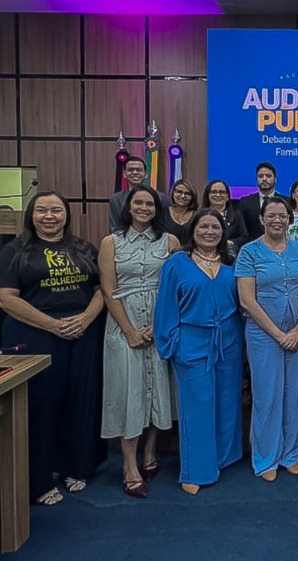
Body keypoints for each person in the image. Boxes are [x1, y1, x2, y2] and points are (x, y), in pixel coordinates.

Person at [0, 191, 106, 506]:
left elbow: (103, 290)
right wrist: (52, 325)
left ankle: (77, 466)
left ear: (66, 215)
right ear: (31, 214)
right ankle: (39, 479)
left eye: (56, 210)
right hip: (35, 335)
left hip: (83, 333)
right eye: (42, 210)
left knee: (81, 401)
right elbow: (6, 297)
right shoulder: (14, 251)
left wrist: (86, 318)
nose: (50, 216)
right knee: (39, 406)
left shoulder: (85, 248)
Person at [154, 209, 244, 496]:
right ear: (192, 230)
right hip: (191, 342)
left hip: (228, 341)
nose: (210, 231)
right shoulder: (177, 264)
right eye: (203, 226)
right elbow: (166, 307)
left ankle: (224, 457)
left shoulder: (231, 262)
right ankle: (197, 470)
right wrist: (172, 343)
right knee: (198, 406)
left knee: (228, 401)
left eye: (215, 226)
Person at [99, 186, 180, 499]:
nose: (145, 208)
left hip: (160, 323)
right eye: (139, 203)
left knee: (158, 389)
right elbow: (108, 290)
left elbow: (175, 286)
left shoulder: (169, 242)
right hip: (124, 325)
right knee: (129, 394)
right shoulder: (111, 242)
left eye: (151, 203)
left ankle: (150, 452)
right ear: (128, 207)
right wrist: (132, 330)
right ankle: (129, 466)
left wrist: (157, 326)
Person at [236, 196, 298, 482]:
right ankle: (266, 456)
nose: (277, 220)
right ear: (262, 219)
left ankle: (291, 452)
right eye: (272, 215)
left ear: (290, 220)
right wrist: (279, 334)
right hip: (263, 335)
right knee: (267, 397)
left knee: (294, 395)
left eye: (283, 215)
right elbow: (247, 300)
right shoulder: (249, 252)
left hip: (297, 335)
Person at [108, 156, 170, 233]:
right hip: (124, 242)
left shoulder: (161, 197)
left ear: (146, 174)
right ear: (124, 174)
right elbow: (114, 228)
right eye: (130, 170)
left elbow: (165, 225)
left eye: (139, 170)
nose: (135, 173)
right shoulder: (116, 199)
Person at [238, 162, 285, 241]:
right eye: (260, 176)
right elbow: (241, 231)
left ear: (275, 179)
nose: (264, 179)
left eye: (268, 176)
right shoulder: (245, 202)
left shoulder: (285, 202)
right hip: (252, 249)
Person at [201, 179, 248, 249]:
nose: (218, 195)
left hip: (229, 252)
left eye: (222, 192)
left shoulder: (236, 215)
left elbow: (244, 237)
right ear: (208, 195)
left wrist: (232, 242)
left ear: (227, 197)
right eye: (214, 192)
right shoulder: (199, 215)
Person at [164, 178, 198, 244]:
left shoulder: (198, 215)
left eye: (187, 193)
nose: (183, 196)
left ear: (193, 196)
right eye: (179, 192)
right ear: (173, 192)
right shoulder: (162, 213)